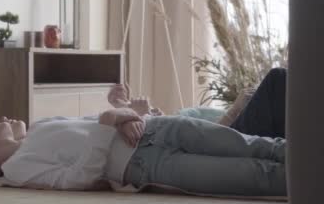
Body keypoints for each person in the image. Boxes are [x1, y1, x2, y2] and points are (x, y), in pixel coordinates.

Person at [0, 109, 286, 196]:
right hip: (150, 165)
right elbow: (78, 179)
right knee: (255, 175)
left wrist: (123, 116)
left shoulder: (41, 125)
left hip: (157, 127)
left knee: (256, 144)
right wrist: (108, 123)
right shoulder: (18, 169)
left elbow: (98, 120)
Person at [108, 68, 288, 138]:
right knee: (278, 78)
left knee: (281, 79)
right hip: (229, 136)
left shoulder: (167, 123)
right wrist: (237, 107)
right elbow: (205, 137)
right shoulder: (152, 131)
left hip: (232, 130)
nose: (156, 110)